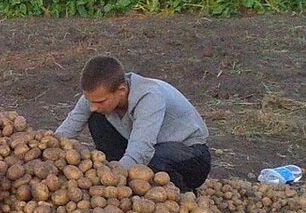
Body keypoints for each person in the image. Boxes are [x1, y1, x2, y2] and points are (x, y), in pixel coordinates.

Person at [54, 55, 210, 192]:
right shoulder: (97, 97)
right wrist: (42, 153)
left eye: (100, 101)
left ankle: (181, 195)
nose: (93, 105)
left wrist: (109, 179)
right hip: (150, 148)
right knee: (96, 117)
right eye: (90, 100)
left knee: (153, 158)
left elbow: (141, 150)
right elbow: (66, 132)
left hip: (191, 156)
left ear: (121, 90)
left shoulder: (149, 96)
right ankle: (125, 183)